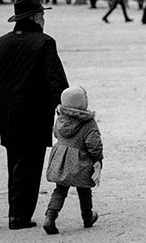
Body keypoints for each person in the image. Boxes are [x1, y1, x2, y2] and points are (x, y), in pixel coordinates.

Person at [0, 0, 69, 230]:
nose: (44, 18)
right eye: (42, 14)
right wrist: (65, 106)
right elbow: (55, 79)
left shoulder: (1, 43)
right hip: (35, 113)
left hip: (7, 114)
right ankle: (19, 216)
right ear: (36, 17)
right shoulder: (44, 42)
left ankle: (15, 212)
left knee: (15, 163)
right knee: (30, 165)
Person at [42, 86, 103, 235]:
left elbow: (56, 133)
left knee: (60, 189)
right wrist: (98, 159)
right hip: (80, 162)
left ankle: (50, 217)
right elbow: (93, 145)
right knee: (84, 191)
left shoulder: (61, 118)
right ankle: (87, 218)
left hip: (61, 159)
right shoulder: (88, 123)